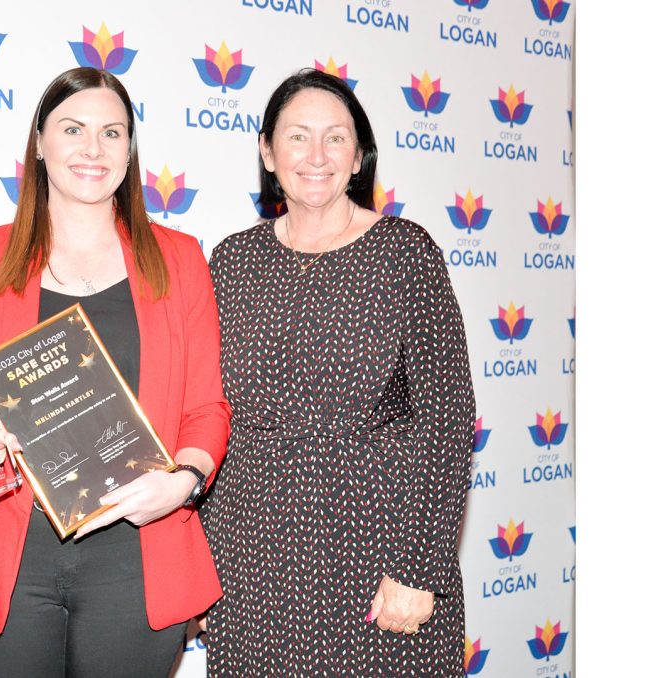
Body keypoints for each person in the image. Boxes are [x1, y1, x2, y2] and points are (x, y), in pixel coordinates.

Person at [0, 67, 231, 678]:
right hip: (12, 553)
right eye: (73, 129)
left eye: (111, 133)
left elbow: (207, 406)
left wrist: (185, 481)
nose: (92, 149)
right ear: (40, 143)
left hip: (139, 550)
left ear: (129, 151)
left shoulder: (180, 259)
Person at [200, 68, 475, 676]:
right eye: (297, 137)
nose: (316, 156)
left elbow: (448, 420)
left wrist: (420, 568)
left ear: (358, 157)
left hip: (377, 559)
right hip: (252, 564)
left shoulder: (407, 254)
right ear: (268, 152)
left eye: (336, 138)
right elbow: (209, 414)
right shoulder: (232, 261)